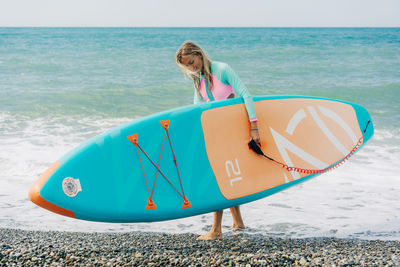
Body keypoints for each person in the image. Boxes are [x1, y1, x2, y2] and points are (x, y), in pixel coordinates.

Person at [175, 41, 260, 240]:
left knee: (218, 178)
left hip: (231, 131)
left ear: (198, 54)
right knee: (226, 177)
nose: (191, 67)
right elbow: (197, 108)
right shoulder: (198, 80)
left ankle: (216, 230)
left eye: (192, 61)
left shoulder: (221, 69)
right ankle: (238, 222)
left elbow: (246, 94)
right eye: (187, 65)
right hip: (215, 132)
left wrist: (254, 126)